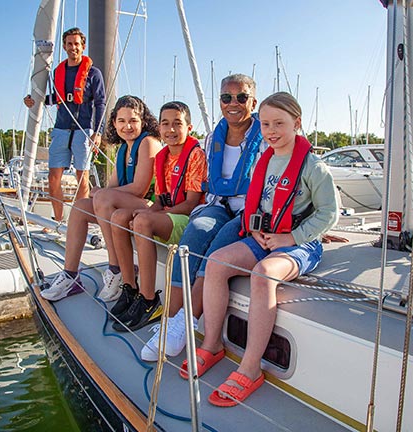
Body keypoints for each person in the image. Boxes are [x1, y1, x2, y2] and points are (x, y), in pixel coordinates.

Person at [182, 92, 339, 407]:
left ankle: (250, 368)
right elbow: (260, 203)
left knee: (263, 273)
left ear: (297, 123)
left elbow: (329, 213)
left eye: (279, 123)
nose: (271, 131)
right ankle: (212, 345)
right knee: (215, 262)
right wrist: (255, 228)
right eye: (265, 124)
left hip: (301, 243)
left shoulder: (313, 166)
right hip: (264, 236)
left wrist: (290, 238)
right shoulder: (266, 160)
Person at [139, 74, 264, 361]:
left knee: (218, 245)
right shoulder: (212, 139)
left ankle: (185, 323)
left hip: (248, 210)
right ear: (219, 101)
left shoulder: (266, 136)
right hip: (219, 204)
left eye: (241, 97)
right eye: (226, 97)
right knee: (193, 233)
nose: (233, 103)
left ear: (252, 101)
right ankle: (169, 322)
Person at [41, 95, 160, 301]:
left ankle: (116, 268)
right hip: (128, 203)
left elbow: (140, 188)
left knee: (103, 197)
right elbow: (113, 186)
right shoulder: (124, 148)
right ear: (114, 123)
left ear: (143, 121)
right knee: (80, 207)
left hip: (149, 205)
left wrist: (102, 194)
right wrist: (99, 192)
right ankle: (70, 275)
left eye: (133, 120)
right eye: (121, 121)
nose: (127, 126)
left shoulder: (148, 143)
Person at [110, 101, 207, 332]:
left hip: (189, 219)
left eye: (177, 124)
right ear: (159, 127)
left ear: (189, 127)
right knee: (120, 217)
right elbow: (162, 199)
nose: (171, 130)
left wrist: (150, 216)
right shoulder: (163, 156)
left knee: (142, 220)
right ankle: (130, 288)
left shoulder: (195, 155)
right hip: (169, 214)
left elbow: (191, 203)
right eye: (165, 124)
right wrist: (147, 211)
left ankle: (149, 300)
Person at [23, 27, 106, 224]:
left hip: (83, 129)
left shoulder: (93, 74)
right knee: (53, 178)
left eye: (76, 44)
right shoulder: (58, 72)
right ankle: (57, 221)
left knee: (82, 180)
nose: (73, 48)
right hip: (61, 129)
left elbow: (100, 102)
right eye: (69, 44)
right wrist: (34, 100)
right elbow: (54, 98)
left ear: (82, 46)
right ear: (64, 46)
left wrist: (98, 132)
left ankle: (78, 223)